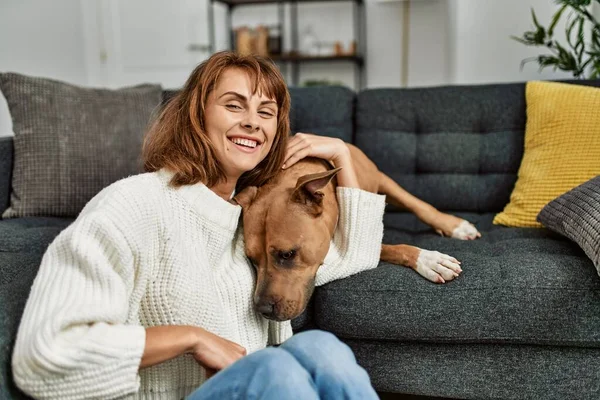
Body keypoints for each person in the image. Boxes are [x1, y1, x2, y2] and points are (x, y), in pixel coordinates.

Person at [11, 51, 385, 399]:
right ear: (196, 114)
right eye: (234, 105)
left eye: (266, 112)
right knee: (274, 369)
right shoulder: (132, 204)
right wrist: (190, 338)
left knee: (321, 348)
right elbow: (43, 354)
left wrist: (340, 152)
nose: (252, 122)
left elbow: (354, 254)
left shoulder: (249, 216)